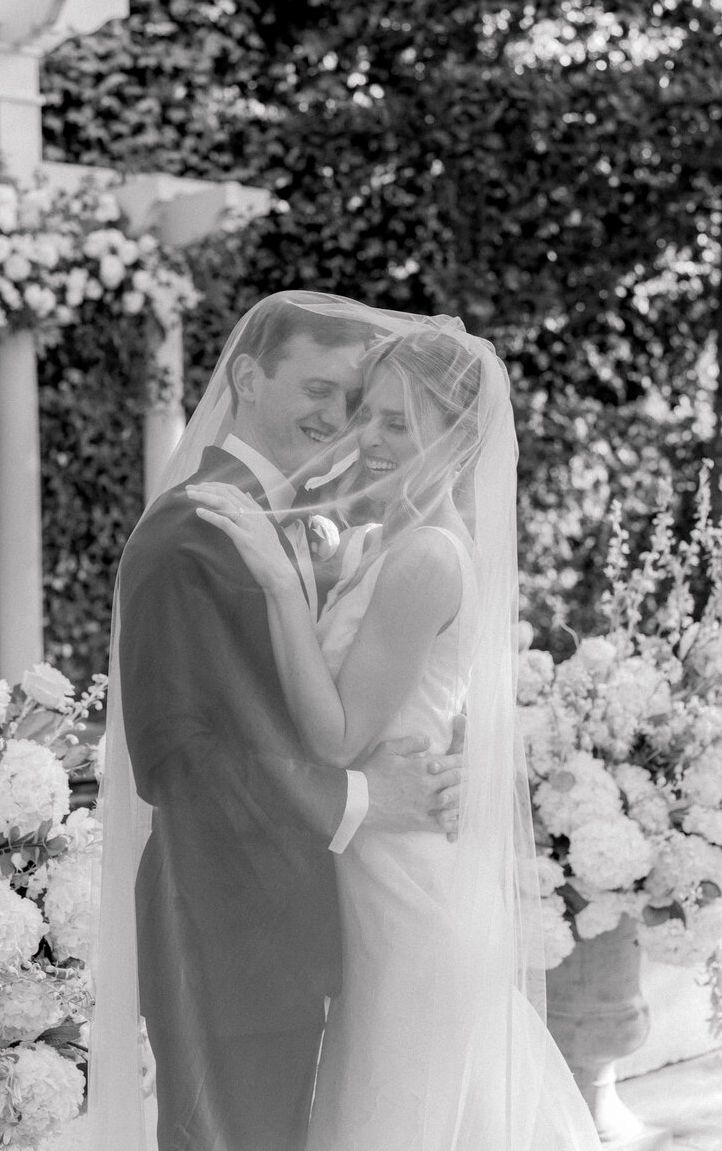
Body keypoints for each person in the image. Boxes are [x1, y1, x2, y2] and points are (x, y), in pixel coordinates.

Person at [187, 303, 603, 1150]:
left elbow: (340, 738)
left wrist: (273, 581)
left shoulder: (425, 557)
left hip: (406, 891)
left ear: (455, 442)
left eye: (397, 422)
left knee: (401, 1109)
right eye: (365, 411)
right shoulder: (389, 540)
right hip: (378, 870)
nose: (367, 436)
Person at [88, 292, 464, 1151]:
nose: (340, 420)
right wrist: (362, 801)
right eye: (322, 389)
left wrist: (445, 763)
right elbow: (180, 758)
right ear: (249, 378)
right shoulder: (192, 531)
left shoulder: (304, 522)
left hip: (295, 930)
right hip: (222, 934)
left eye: (358, 401)